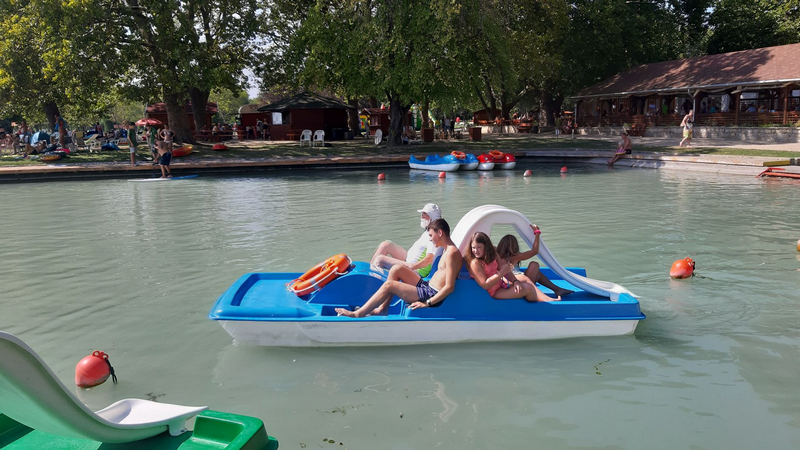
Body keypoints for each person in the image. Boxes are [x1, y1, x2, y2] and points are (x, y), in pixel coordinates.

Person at [336, 219, 462, 317]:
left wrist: (426, 303)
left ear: (440, 233)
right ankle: (382, 309)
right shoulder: (447, 250)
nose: (430, 239)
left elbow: (449, 287)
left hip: (431, 295)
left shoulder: (452, 253)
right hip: (427, 287)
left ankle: (357, 314)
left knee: (389, 285)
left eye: (431, 235)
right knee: (396, 269)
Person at [466, 231, 560, 302]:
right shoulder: (475, 263)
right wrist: (501, 273)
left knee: (526, 282)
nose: (475, 251)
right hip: (493, 292)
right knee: (529, 288)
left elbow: (506, 270)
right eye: (473, 247)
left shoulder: (493, 255)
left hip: (501, 285)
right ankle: (544, 302)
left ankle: (544, 298)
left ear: (486, 247)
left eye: (479, 247)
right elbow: (485, 285)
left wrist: (515, 282)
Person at [496, 225, 574, 298]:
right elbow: (535, 251)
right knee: (534, 265)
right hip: (516, 284)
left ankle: (557, 289)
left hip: (508, 283)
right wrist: (537, 234)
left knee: (537, 273)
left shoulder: (497, 255)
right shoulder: (514, 257)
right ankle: (555, 290)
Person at [371, 203, 444, 278]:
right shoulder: (429, 230)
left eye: (424, 214)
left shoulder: (434, 235)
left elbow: (429, 259)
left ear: (432, 217)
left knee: (380, 260)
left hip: (416, 270)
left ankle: (372, 279)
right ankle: (368, 271)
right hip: (408, 260)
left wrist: (412, 266)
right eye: (422, 214)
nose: (421, 216)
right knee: (386, 244)